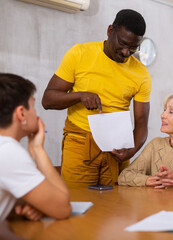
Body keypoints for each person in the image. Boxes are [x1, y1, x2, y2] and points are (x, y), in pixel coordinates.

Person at [42, 9, 152, 187]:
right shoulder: (79, 54)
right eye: (123, 44)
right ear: (110, 31)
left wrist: (131, 152)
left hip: (117, 148)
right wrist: (80, 96)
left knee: (117, 207)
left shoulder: (142, 73)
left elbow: (141, 123)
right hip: (80, 142)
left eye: (133, 48)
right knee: (78, 203)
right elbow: (48, 100)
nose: (126, 52)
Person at [0, 73, 71, 221]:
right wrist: (38, 149)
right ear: (21, 113)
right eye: (32, 106)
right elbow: (63, 208)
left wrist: (28, 205)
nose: (36, 113)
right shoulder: (9, 152)